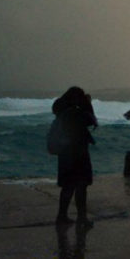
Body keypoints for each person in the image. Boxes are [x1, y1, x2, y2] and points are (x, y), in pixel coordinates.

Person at [52, 86, 98, 226]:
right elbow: (92, 120)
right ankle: (81, 218)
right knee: (80, 187)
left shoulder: (62, 111)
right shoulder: (75, 113)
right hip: (78, 155)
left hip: (66, 155)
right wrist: (88, 104)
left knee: (68, 187)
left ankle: (62, 216)